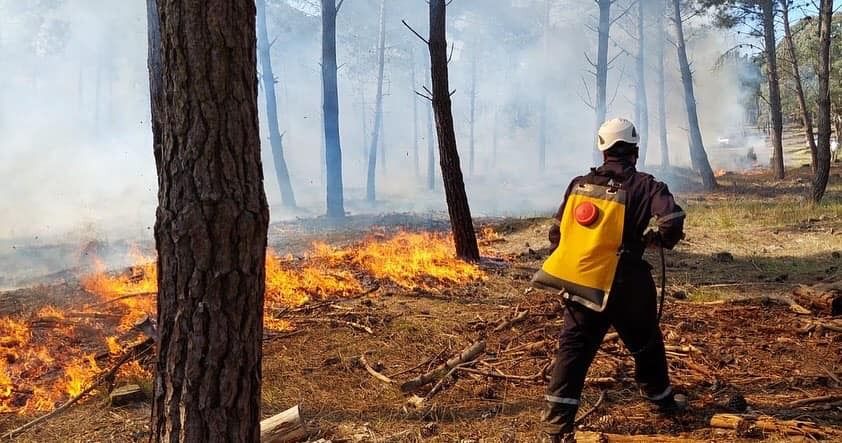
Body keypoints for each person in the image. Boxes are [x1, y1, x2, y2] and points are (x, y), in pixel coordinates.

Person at [541, 118, 687, 442]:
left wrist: (574, 265)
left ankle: (555, 428)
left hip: (585, 284)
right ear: (635, 149)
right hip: (627, 285)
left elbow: (557, 233)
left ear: (603, 147)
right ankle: (661, 401)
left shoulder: (579, 185)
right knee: (646, 342)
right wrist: (656, 239)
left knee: (573, 351)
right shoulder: (647, 185)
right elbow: (672, 221)